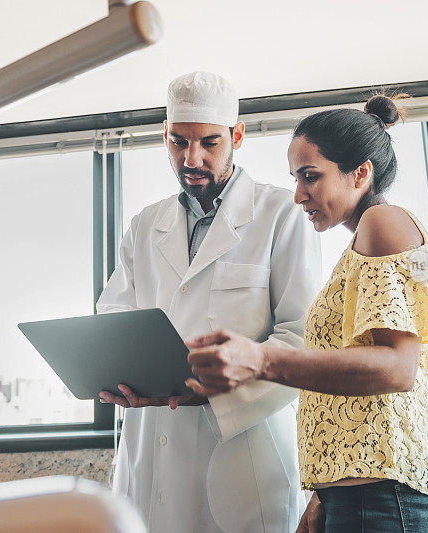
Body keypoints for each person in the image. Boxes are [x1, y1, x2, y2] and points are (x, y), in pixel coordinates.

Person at [186, 94, 428, 532]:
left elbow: (398, 369)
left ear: (361, 173)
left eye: (310, 177)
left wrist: (259, 359)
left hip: (385, 496)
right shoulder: (372, 238)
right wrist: (325, 494)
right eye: (295, 178)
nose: (298, 195)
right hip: (366, 491)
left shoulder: (383, 223)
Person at [96, 71, 321, 532]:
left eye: (209, 143)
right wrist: (115, 372)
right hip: (150, 455)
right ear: (164, 136)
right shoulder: (145, 225)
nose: (190, 157)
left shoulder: (281, 214)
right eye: (178, 142)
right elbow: (114, 316)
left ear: (237, 136)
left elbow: (303, 338)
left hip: (243, 458)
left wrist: (214, 393)